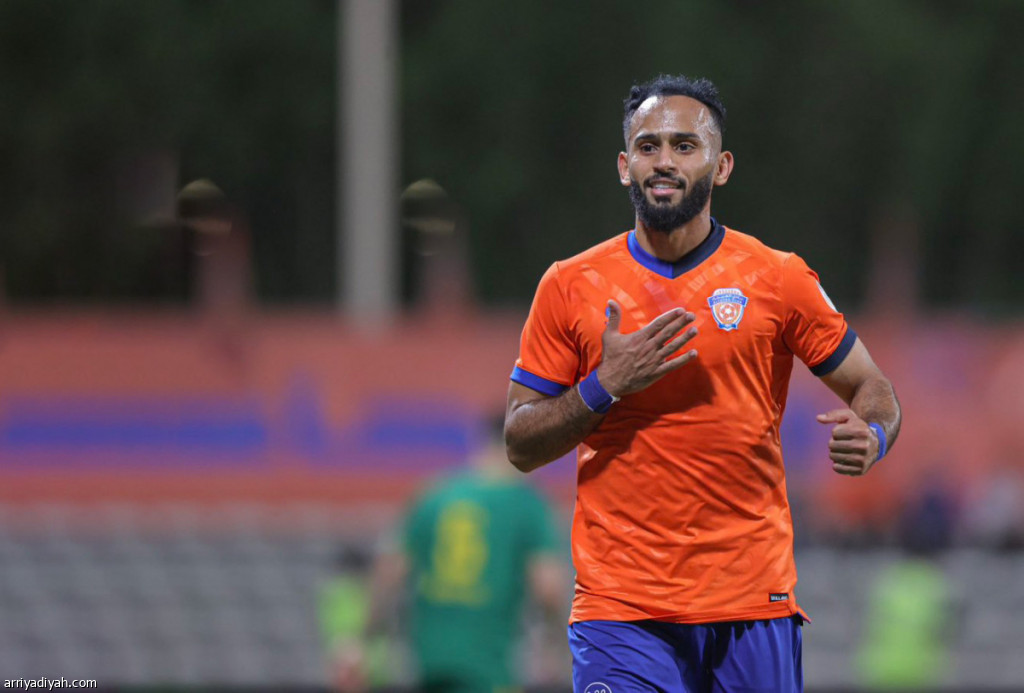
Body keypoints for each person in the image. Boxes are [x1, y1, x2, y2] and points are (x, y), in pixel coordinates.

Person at [504, 74, 902, 691]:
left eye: (684, 146)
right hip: (621, 607)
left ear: (721, 166)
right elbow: (520, 443)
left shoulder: (777, 278)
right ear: (625, 167)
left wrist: (873, 432)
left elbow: (873, 387)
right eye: (648, 146)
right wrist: (603, 386)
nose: (664, 161)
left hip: (751, 601)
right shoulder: (569, 285)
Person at [366, 416, 568, 693]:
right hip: (490, 665)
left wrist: (365, 638)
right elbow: (548, 588)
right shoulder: (525, 503)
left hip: (430, 662)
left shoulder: (432, 494)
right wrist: (558, 644)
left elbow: (390, 571)